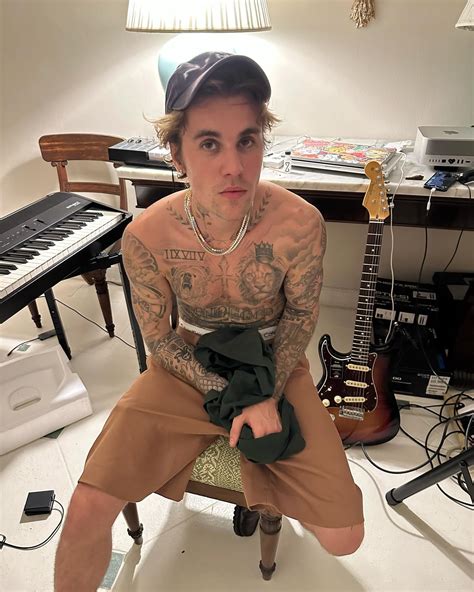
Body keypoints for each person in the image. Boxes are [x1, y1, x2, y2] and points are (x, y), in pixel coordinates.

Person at [54, 52, 364, 592]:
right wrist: (232, 396)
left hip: (273, 360)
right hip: (186, 362)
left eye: (247, 140)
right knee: (84, 509)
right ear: (176, 152)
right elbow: (158, 340)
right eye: (210, 144)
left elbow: (300, 315)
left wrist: (263, 393)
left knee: (345, 538)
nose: (234, 166)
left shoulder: (299, 223)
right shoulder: (147, 235)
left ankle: (271, 482)